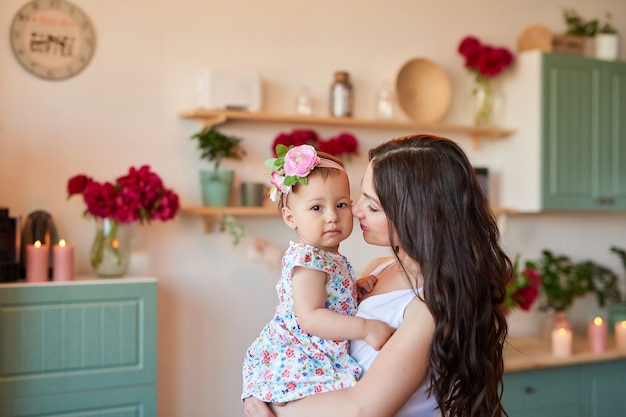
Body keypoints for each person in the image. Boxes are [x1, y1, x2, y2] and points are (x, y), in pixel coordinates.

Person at [244, 134, 511, 417]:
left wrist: (270, 407)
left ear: (416, 215)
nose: (355, 210)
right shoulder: (378, 269)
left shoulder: (429, 305)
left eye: (371, 205)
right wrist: (259, 389)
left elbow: (361, 410)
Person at [241, 144, 395, 404]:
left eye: (342, 204)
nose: (333, 216)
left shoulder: (326, 257)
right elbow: (312, 317)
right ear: (291, 218)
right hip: (302, 353)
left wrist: (354, 288)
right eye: (316, 208)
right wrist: (365, 328)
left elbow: (329, 298)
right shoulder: (309, 260)